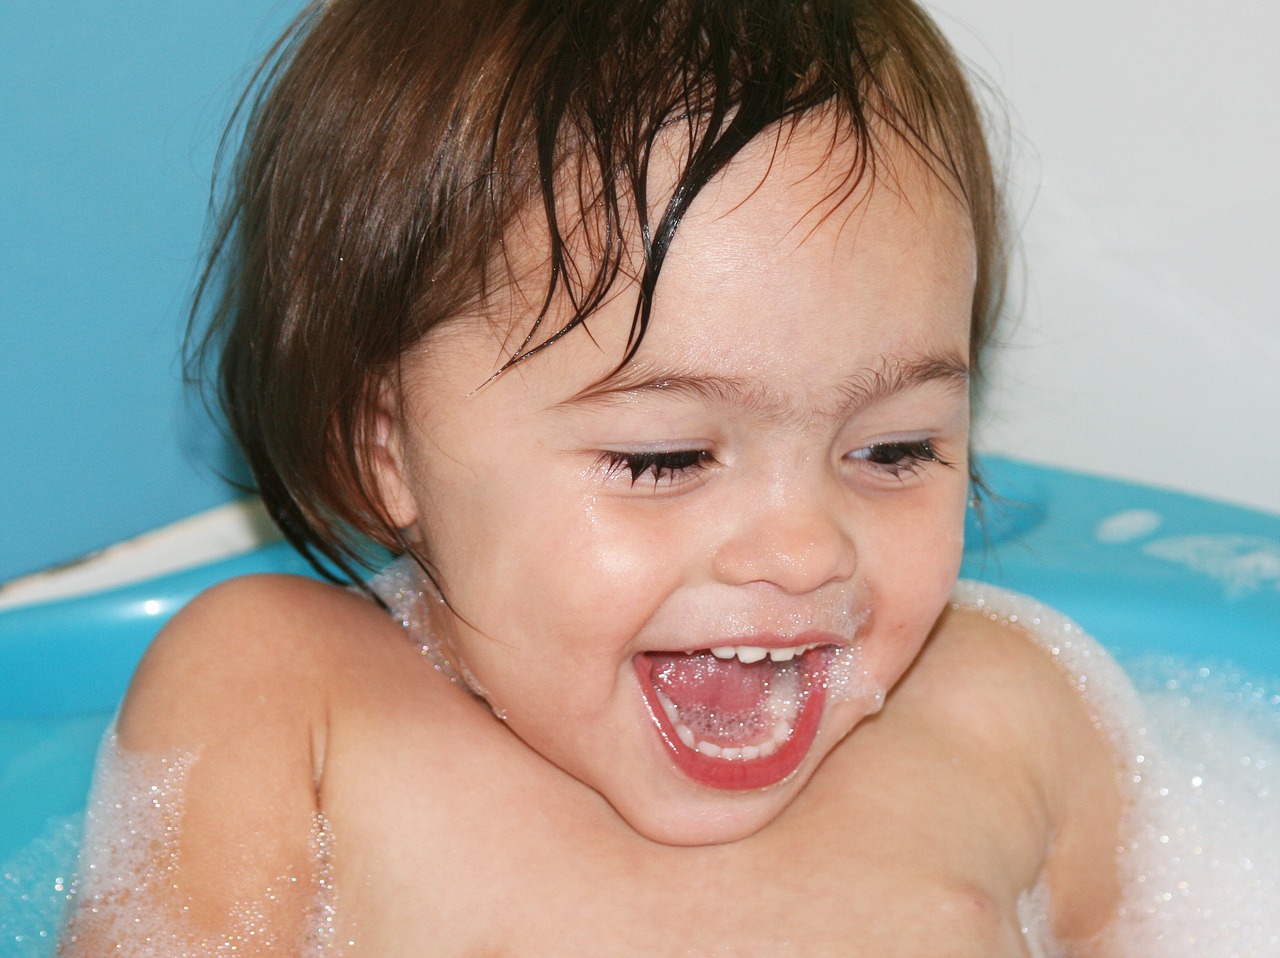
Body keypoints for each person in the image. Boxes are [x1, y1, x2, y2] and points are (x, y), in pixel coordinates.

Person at [60, 0, 1129, 953]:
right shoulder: (291, 702)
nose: (806, 548)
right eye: (664, 457)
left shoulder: (1007, 716)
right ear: (388, 450)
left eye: (893, 449)